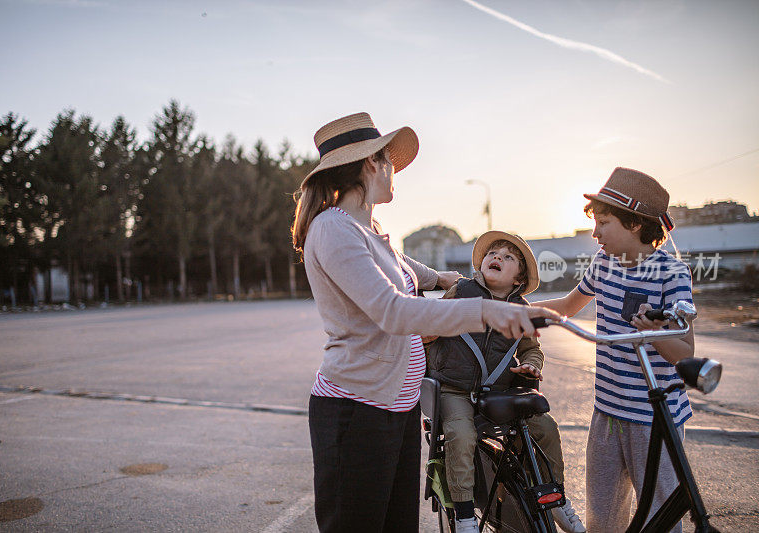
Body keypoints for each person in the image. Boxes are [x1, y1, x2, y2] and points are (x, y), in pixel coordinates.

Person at [291, 112, 559, 533]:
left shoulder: (368, 228)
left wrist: (444, 279)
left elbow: (401, 266)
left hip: (396, 407)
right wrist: (486, 310)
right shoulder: (332, 230)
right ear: (370, 164)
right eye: (389, 162)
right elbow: (393, 310)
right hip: (355, 410)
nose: (394, 172)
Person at [534, 167, 695, 532]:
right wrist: (511, 310)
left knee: (661, 517)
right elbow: (568, 306)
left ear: (635, 224)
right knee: (603, 516)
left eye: (604, 223)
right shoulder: (604, 264)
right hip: (606, 412)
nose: (595, 233)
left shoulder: (672, 273)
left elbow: (685, 353)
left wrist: (654, 333)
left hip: (655, 419)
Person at [424, 230, 585, 533]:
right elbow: (431, 325)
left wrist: (530, 366)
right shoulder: (461, 290)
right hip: (453, 387)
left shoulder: (520, 308)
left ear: (518, 279)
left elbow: (531, 348)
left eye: (507, 257)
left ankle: (557, 498)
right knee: (460, 433)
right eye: (492, 253)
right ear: (482, 263)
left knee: (546, 427)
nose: (496, 257)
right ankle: (464, 516)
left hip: (498, 391)